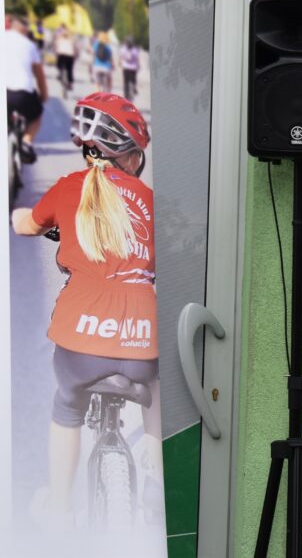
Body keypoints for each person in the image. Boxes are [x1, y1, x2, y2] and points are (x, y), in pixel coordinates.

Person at [12, 92, 160, 527]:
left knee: (67, 407)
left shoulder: (68, 188)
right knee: (155, 389)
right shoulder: (150, 200)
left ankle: (59, 507)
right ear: (128, 156)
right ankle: (156, 484)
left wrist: (18, 214)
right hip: (140, 344)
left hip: (80, 345)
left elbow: (27, 225)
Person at [4, 15, 48, 164]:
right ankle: (26, 141)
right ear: (24, 29)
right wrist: (44, 95)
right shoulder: (29, 45)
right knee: (36, 115)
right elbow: (39, 75)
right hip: (23, 94)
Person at [54, 25, 78, 98]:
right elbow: (75, 49)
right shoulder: (72, 39)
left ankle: (60, 75)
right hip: (69, 56)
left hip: (61, 56)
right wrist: (75, 56)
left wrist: (56, 53)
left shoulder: (59, 38)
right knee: (70, 69)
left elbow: (56, 48)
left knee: (59, 66)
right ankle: (70, 82)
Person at [119, 37, 140, 102]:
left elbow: (121, 57)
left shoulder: (123, 49)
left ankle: (126, 97)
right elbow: (137, 59)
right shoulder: (135, 50)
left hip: (126, 68)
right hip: (133, 68)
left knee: (126, 82)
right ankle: (134, 88)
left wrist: (120, 63)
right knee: (133, 80)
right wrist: (138, 66)